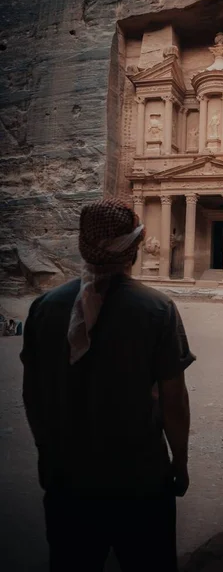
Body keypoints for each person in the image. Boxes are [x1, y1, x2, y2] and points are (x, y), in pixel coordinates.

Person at [21, 198, 195, 572]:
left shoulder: (44, 307)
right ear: (133, 250)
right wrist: (179, 461)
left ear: (83, 246)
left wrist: (45, 452)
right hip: (140, 479)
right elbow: (174, 400)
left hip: (67, 477)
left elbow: (32, 394)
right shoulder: (158, 309)